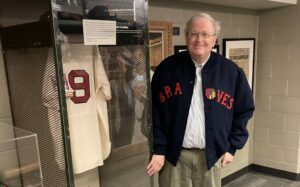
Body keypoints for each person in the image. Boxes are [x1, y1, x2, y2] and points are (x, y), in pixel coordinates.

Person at [146, 12, 255, 187]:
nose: (199, 39)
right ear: (186, 36)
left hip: (210, 157)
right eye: (194, 34)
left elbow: (245, 110)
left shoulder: (231, 72)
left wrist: (232, 147)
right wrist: (159, 149)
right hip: (173, 156)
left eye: (205, 34)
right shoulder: (166, 69)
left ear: (215, 39)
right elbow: (153, 112)